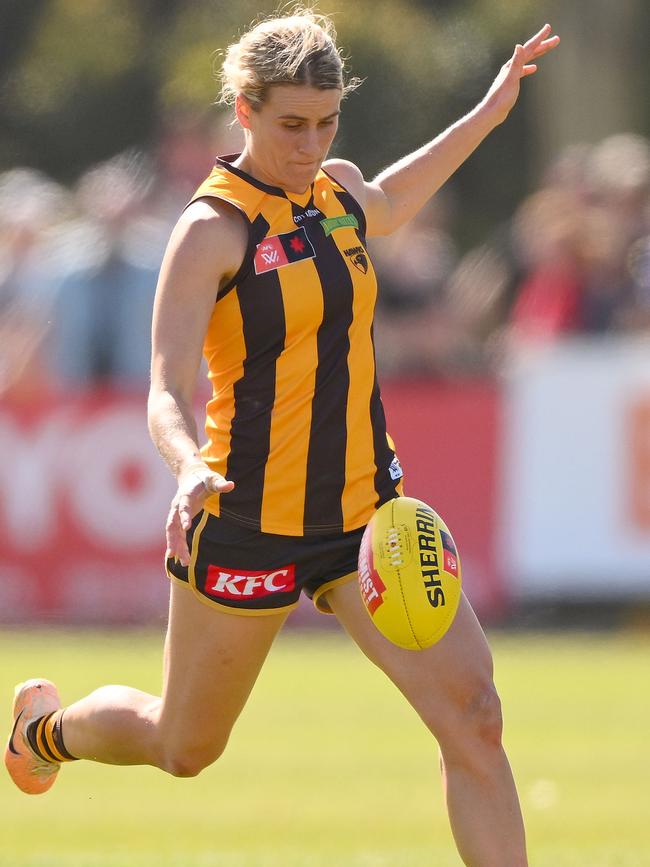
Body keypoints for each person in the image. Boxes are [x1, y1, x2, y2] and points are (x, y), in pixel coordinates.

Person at [5, 10, 559, 866]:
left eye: (327, 121)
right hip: (245, 515)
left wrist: (488, 111)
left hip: (367, 520)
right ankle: (44, 733)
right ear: (244, 108)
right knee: (183, 745)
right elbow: (163, 387)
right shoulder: (209, 231)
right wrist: (187, 466)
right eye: (291, 124)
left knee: (476, 717)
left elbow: (391, 199)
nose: (310, 143)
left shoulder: (336, 190)